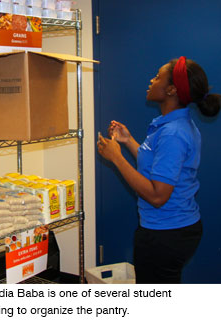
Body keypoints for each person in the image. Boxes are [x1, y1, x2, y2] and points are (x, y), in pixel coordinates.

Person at [97, 56, 221, 283]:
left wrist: (117, 158)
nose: (151, 81)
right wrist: (129, 141)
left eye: (157, 77)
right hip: (173, 229)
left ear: (172, 90)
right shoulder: (171, 125)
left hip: (166, 234)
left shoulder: (173, 133)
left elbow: (157, 195)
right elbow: (156, 166)